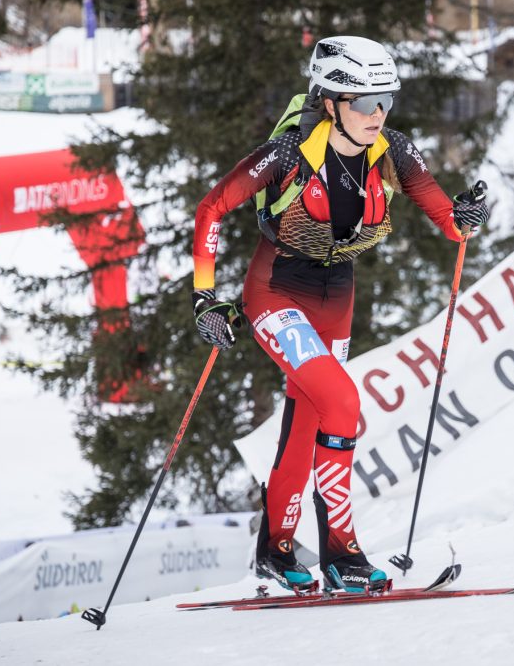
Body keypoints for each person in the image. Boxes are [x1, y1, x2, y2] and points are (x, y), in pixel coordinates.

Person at [191, 36, 490, 593]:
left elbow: (448, 220)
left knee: (307, 425)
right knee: (343, 403)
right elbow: (212, 206)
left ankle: (276, 550)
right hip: (275, 289)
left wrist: (464, 217)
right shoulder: (286, 154)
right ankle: (342, 551)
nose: (377, 113)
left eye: (385, 100)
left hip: (337, 299)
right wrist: (204, 298)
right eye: (363, 100)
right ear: (329, 102)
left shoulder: (393, 150)